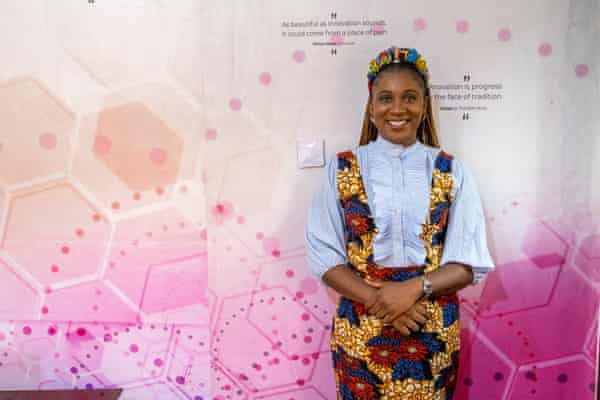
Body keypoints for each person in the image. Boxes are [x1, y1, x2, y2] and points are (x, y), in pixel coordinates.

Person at [304, 46, 494, 399]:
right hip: (362, 326)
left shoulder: (452, 170)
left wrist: (410, 290)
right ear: (371, 104)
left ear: (424, 104)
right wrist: (383, 300)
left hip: (430, 324)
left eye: (409, 97)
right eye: (385, 98)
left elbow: (468, 262)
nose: (397, 108)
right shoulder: (341, 168)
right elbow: (324, 257)